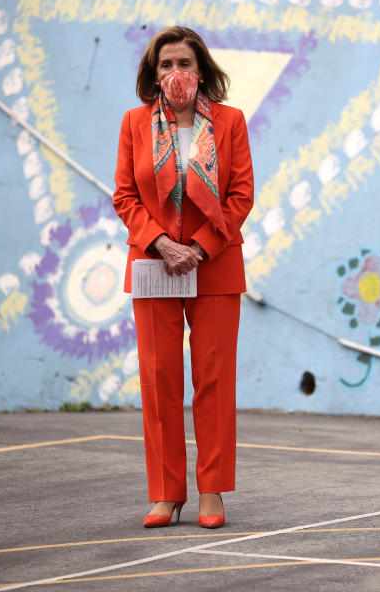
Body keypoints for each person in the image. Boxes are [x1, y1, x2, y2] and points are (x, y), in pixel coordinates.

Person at [113, 26, 254, 527]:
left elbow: (240, 197)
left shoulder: (231, 122)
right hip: (154, 264)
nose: (176, 73)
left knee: (213, 380)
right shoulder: (134, 124)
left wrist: (197, 247)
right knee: (159, 379)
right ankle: (165, 493)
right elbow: (125, 197)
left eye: (185, 64)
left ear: (203, 71)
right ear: (154, 74)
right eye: (166, 65)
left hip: (213, 266)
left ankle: (211, 492)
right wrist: (160, 242)